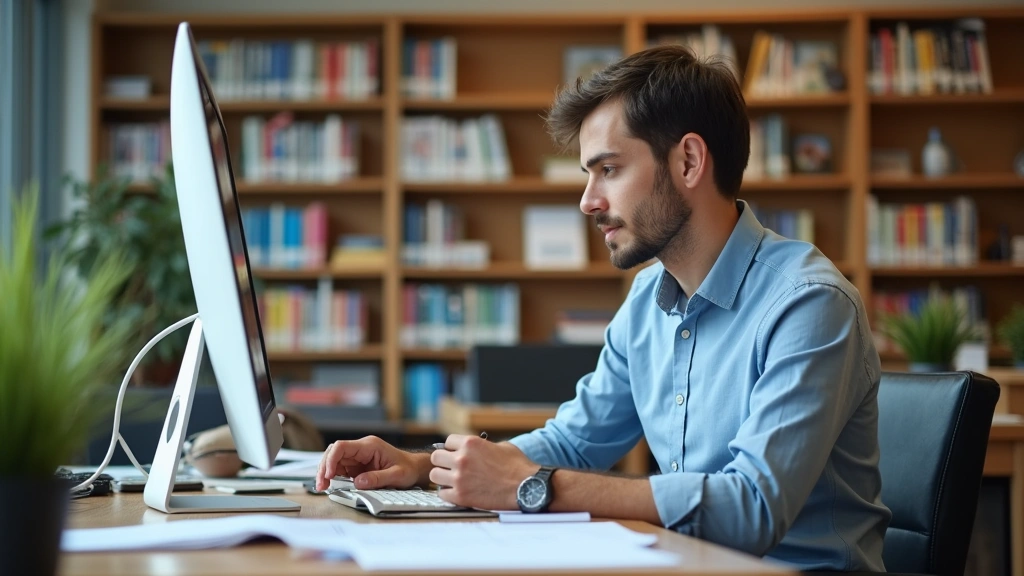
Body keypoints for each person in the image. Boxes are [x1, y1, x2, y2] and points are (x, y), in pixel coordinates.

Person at [315, 45, 891, 572]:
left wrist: (531, 487)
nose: (589, 201)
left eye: (609, 169)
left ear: (689, 161)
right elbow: (573, 443)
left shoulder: (809, 303)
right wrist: (422, 468)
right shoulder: (648, 300)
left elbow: (751, 509)